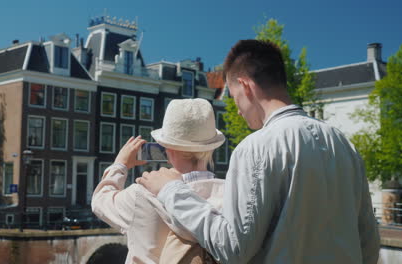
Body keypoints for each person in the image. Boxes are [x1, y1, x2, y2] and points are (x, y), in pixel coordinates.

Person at [137, 39, 380, 263]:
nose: (238, 111)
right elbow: (368, 243)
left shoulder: (255, 148)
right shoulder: (344, 144)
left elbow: (233, 247)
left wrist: (171, 191)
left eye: (233, 98)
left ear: (245, 86)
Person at [91, 98, 226, 264]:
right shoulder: (230, 196)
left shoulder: (142, 194)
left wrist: (120, 165)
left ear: (167, 149)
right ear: (211, 147)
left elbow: (100, 201)